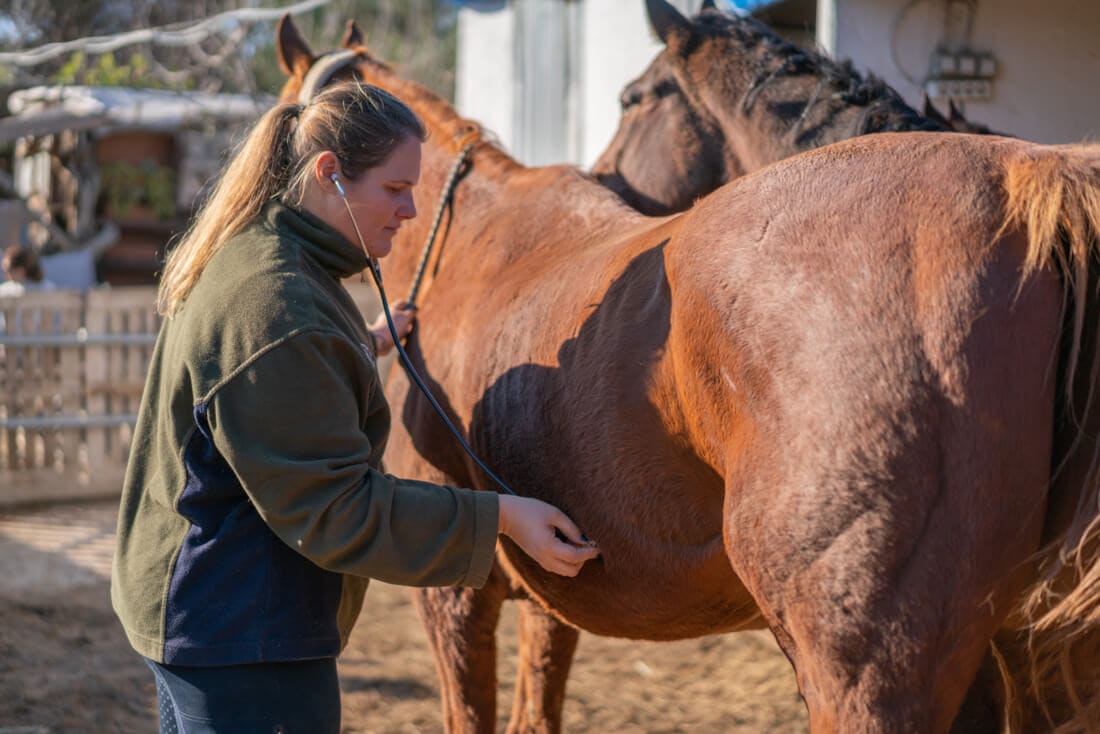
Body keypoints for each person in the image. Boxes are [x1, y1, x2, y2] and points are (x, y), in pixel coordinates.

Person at [112, 80, 600, 734]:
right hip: (243, 635)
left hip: (207, 612)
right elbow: (337, 509)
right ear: (329, 174)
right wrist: (502, 518)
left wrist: (361, 343)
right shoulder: (278, 309)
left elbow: (269, 392)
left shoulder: (262, 255)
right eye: (395, 189)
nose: (409, 210)